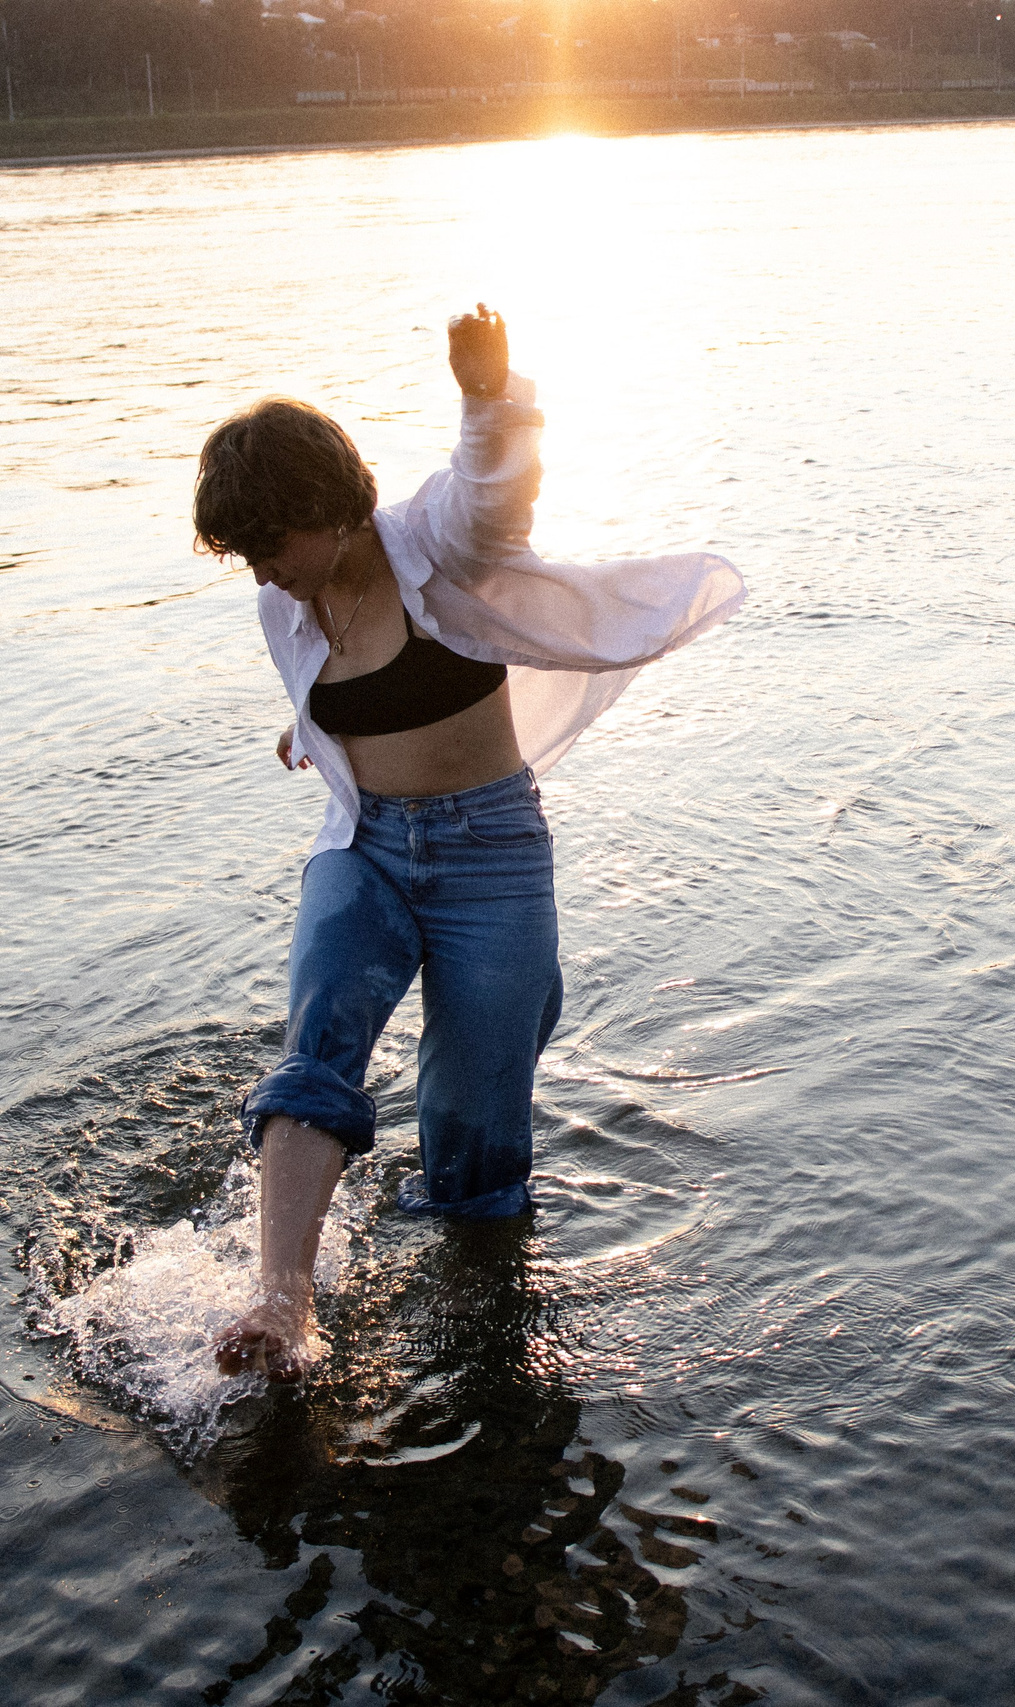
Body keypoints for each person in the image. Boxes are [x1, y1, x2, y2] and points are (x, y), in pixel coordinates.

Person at [193, 305, 744, 1380]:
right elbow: (335, 680)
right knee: (320, 1040)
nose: (261, 573)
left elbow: (492, 500)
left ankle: (472, 1299)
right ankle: (279, 1300)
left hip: (491, 849)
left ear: (327, 507)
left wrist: (485, 399)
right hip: (366, 849)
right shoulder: (284, 606)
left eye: (270, 544)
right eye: (244, 555)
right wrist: (309, 723)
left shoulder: (430, 549)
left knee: (478, 1115)